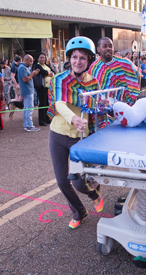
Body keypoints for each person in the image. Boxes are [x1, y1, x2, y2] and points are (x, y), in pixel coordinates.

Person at [48, 36, 104, 229]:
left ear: (88, 60)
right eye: (74, 57)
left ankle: (93, 194)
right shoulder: (59, 79)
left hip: (81, 138)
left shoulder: (93, 83)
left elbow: (97, 108)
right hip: (58, 135)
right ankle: (79, 212)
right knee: (62, 182)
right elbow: (59, 103)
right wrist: (74, 118)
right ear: (69, 58)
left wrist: (103, 104)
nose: (77, 61)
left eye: (82, 58)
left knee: (81, 183)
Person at [88, 37, 139, 106]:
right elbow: (90, 88)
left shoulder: (125, 63)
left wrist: (134, 92)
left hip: (124, 104)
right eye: (105, 46)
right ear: (98, 49)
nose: (108, 48)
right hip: (104, 106)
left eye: (110, 46)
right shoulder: (94, 68)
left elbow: (137, 75)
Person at [18, 54, 40, 132]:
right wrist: (32, 74)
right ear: (25, 60)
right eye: (30, 61)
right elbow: (25, 79)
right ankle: (29, 125)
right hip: (27, 90)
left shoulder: (23, 67)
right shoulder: (23, 68)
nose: (31, 63)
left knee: (27, 108)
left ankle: (27, 124)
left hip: (27, 90)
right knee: (29, 109)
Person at [32, 53, 54, 126]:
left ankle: (47, 118)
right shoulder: (37, 65)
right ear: (38, 59)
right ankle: (42, 120)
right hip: (41, 87)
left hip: (48, 87)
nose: (42, 59)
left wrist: (49, 73)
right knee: (42, 103)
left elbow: (53, 71)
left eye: (43, 57)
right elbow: (42, 72)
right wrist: (48, 73)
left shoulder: (46, 65)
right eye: (41, 57)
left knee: (47, 103)